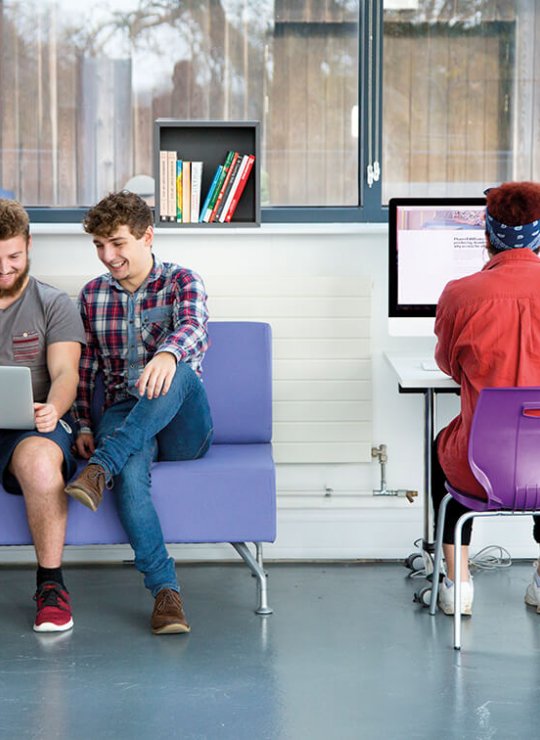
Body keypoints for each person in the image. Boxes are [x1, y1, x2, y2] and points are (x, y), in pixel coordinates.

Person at [65, 191, 213, 635]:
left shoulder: (182, 281)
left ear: (148, 236)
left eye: (117, 243)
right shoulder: (92, 296)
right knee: (130, 475)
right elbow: (85, 367)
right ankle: (166, 594)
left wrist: (167, 355)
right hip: (125, 413)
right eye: (98, 246)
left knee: (179, 372)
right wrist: (85, 424)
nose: (107, 256)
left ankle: (99, 468)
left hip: (184, 418)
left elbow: (192, 328)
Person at [432, 181, 540, 616]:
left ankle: (458, 586)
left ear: (487, 236)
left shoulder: (460, 294)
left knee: (440, 445)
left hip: (481, 470)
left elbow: (449, 366)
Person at [0, 199, 85, 632]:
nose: (3, 268)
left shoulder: (53, 303)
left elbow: (66, 372)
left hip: (33, 427)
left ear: (29, 246)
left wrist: (54, 406)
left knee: (38, 461)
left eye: (13, 256)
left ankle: (51, 587)